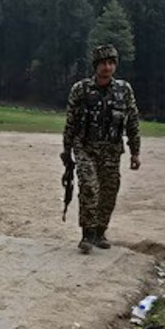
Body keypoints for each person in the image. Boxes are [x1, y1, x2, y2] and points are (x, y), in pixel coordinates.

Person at [63, 44, 142, 254]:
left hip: (111, 150)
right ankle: (87, 233)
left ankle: (100, 231)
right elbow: (70, 122)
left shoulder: (124, 90)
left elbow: (132, 122)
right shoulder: (80, 89)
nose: (107, 67)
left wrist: (135, 152)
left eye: (111, 63)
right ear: (95, 66)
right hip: (85, 148)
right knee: (89, 187)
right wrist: (66, 150)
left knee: (109, 191)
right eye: (103, 63)